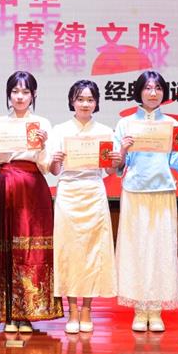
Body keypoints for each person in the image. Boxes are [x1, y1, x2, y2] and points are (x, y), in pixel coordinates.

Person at [0, 71, 64, 332]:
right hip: (4, 185)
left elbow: (47, 167)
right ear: (8, 95)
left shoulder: (42, 124)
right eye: (15, 91)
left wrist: (43, 146)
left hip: (32, 188)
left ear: (33, 95)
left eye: (25, 92)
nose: (20, 97)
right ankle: (6, 313)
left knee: (29, 249)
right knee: (4, 248)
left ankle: (27, 313)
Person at [114, 70, 178, 332]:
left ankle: (156, 309)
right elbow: (117, 165)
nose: (153, 92)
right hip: (134, 191)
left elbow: (177, 164)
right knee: (136, 249)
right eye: (147, 87)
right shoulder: (125, 124)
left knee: (161, 249)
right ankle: (139, 308)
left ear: (163, 93)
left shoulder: (172, 124)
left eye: (158, 88)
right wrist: (123, 149)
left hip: (162, 191)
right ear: (139, 91)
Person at [49, 80, 118, 334]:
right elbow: (54, 170)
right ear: (72, 102)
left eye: (90, 99)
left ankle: (87, 308)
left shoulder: (105, 131)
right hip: (68, 192)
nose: (85, 104)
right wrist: (55, 160)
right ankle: (72, 311)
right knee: (69, 252)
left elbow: (110, 171)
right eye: (80, 99)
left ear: (96, 103)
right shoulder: (60, 130)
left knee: (92, 251)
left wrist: (115, 161)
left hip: (93, 192)